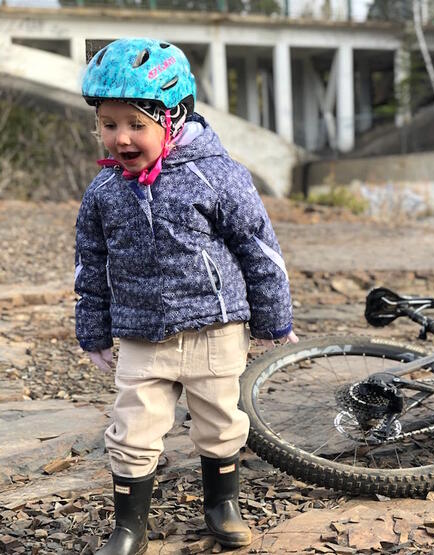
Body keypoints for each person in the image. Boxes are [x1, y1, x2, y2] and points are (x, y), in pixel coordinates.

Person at [75, 37, 297, 555]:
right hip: (139, 334)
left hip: (215, 327)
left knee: (221, 421)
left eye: (136, 125)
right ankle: (130, 526)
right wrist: (93, 331)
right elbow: (90, 265)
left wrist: (272, 319)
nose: (121, 139)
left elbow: (259, 247)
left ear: (171, 120)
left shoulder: (217, 174)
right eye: (109, 125)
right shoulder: (104, 192)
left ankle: (223, 505)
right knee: (132, 429)